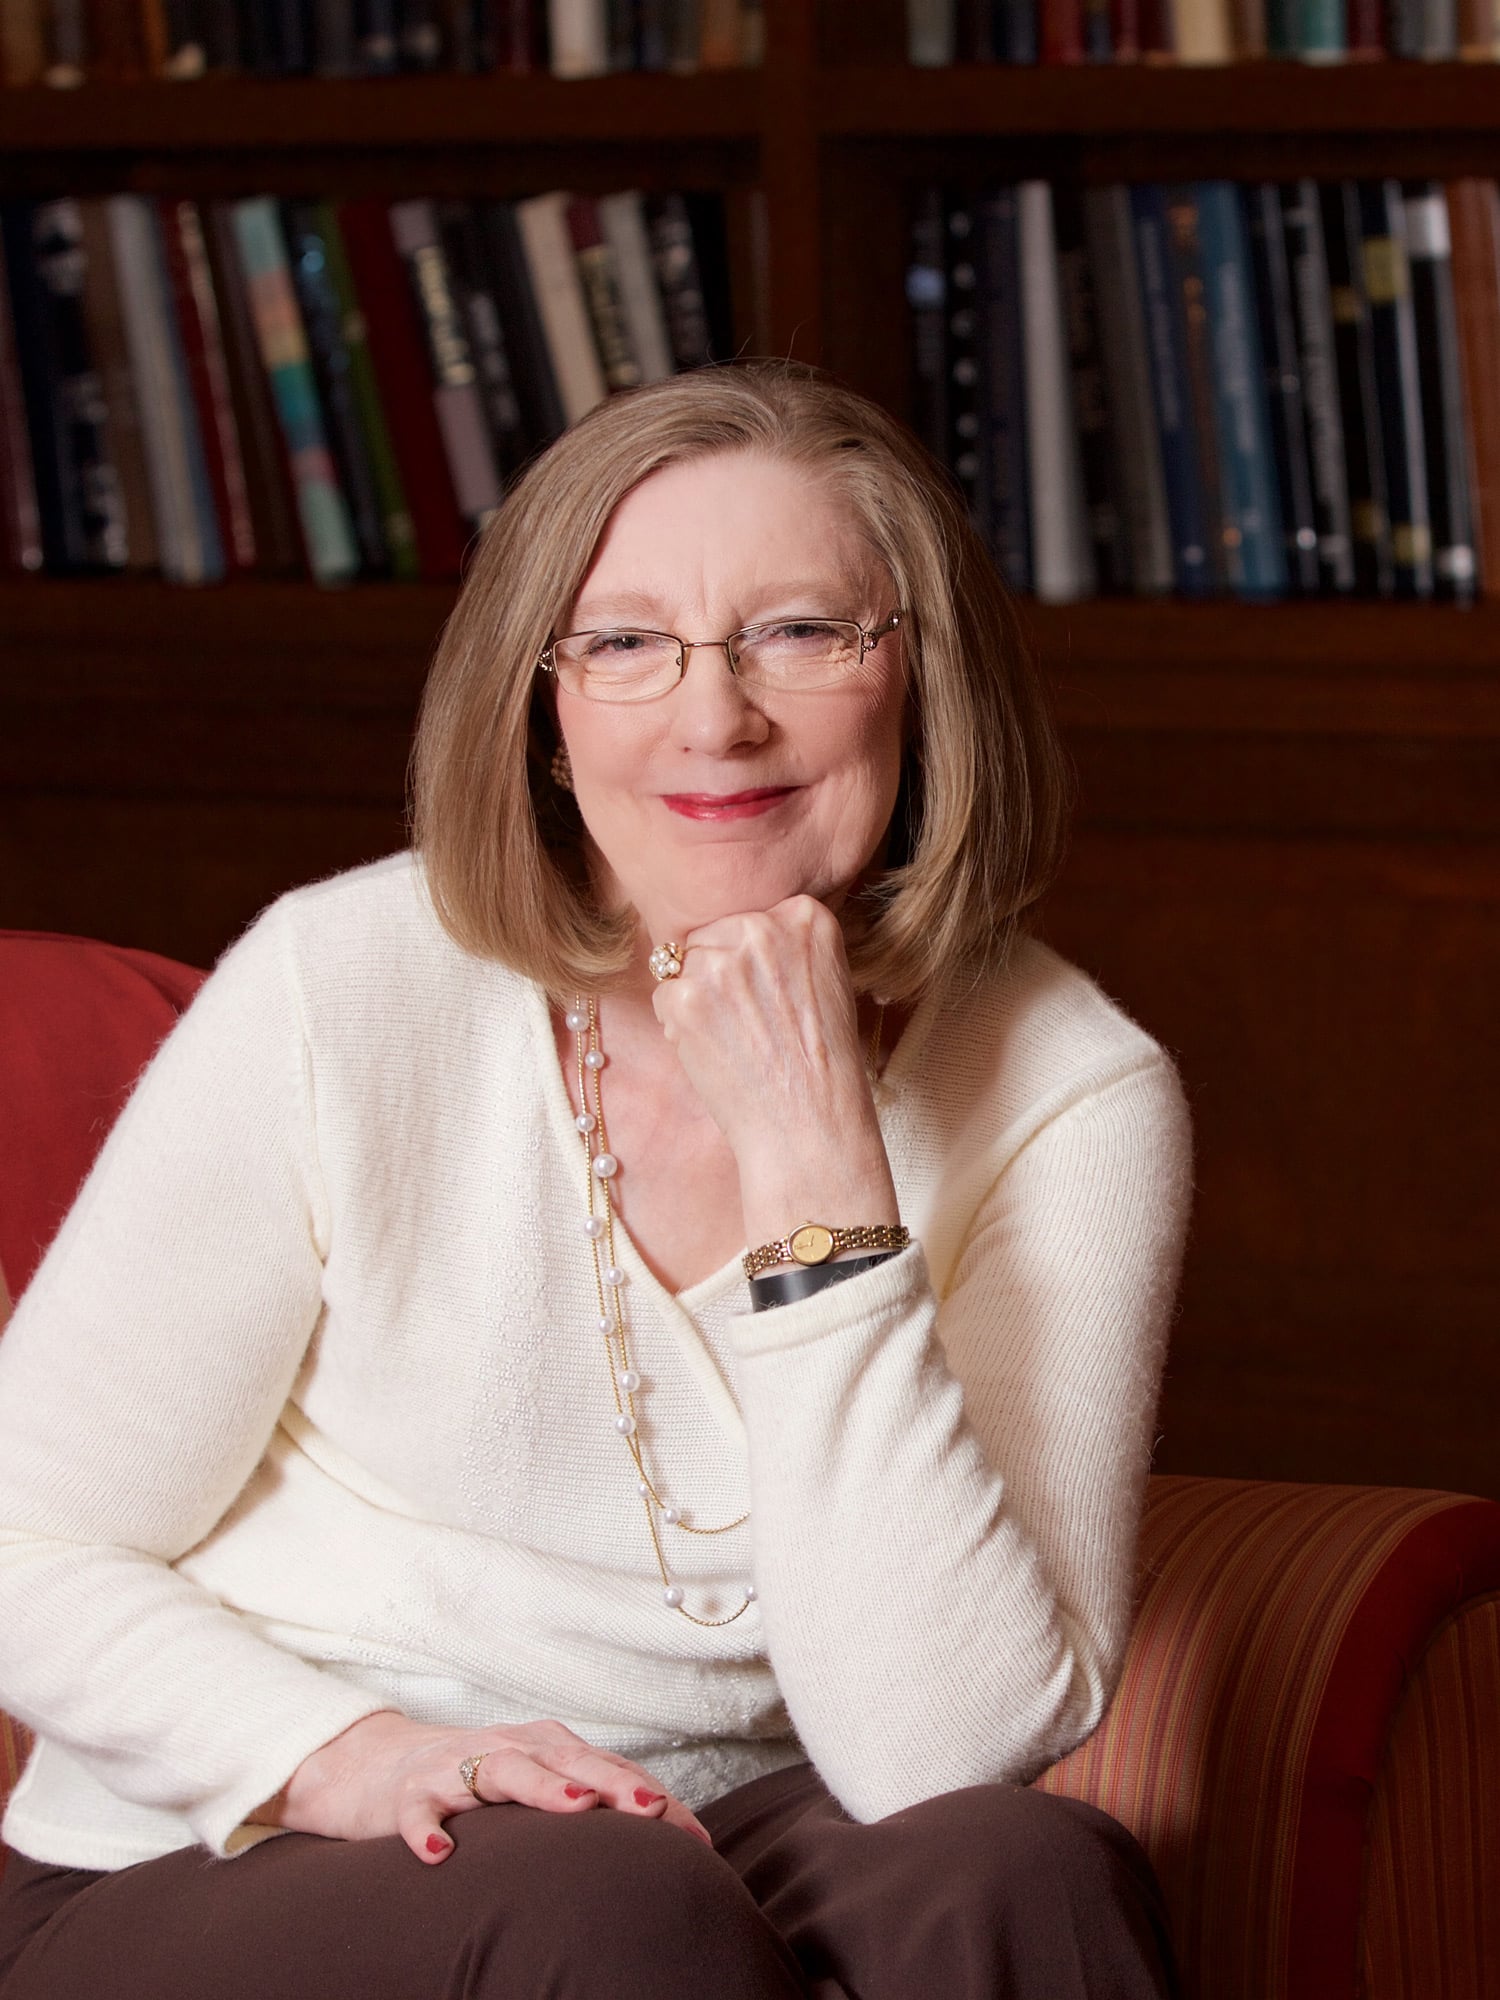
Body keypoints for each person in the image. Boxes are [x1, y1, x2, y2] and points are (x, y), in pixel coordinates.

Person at [0, 362, 1192, 1998]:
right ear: (544, 714)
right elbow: (28, 1536)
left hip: (706, 1837)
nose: (717, 719)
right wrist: (347, 1752)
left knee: (1022, 1872)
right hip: (228, 1851)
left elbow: (940, 1755)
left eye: (800, 632)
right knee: (602, 1905)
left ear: (923, 683)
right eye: (626, 644)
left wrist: (817, 1167)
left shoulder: (1070, 1091)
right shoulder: (345, 985)